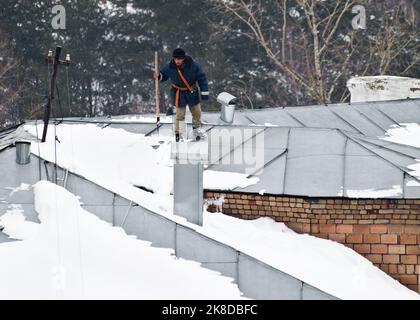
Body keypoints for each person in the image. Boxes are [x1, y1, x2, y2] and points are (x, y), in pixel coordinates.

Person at [155, 48, 209, 141]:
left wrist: (204, 92)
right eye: (175, 59)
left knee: (197, 113)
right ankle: (179, 134)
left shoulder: (193, 65)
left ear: (183, 58)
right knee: (180, 115)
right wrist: (158, 76)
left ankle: (196, 131)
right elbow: (163, 75)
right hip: (178, 93)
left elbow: (202, 78)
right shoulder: (170, 66)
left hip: (192, 91)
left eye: (179, 59)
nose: (177, 61)